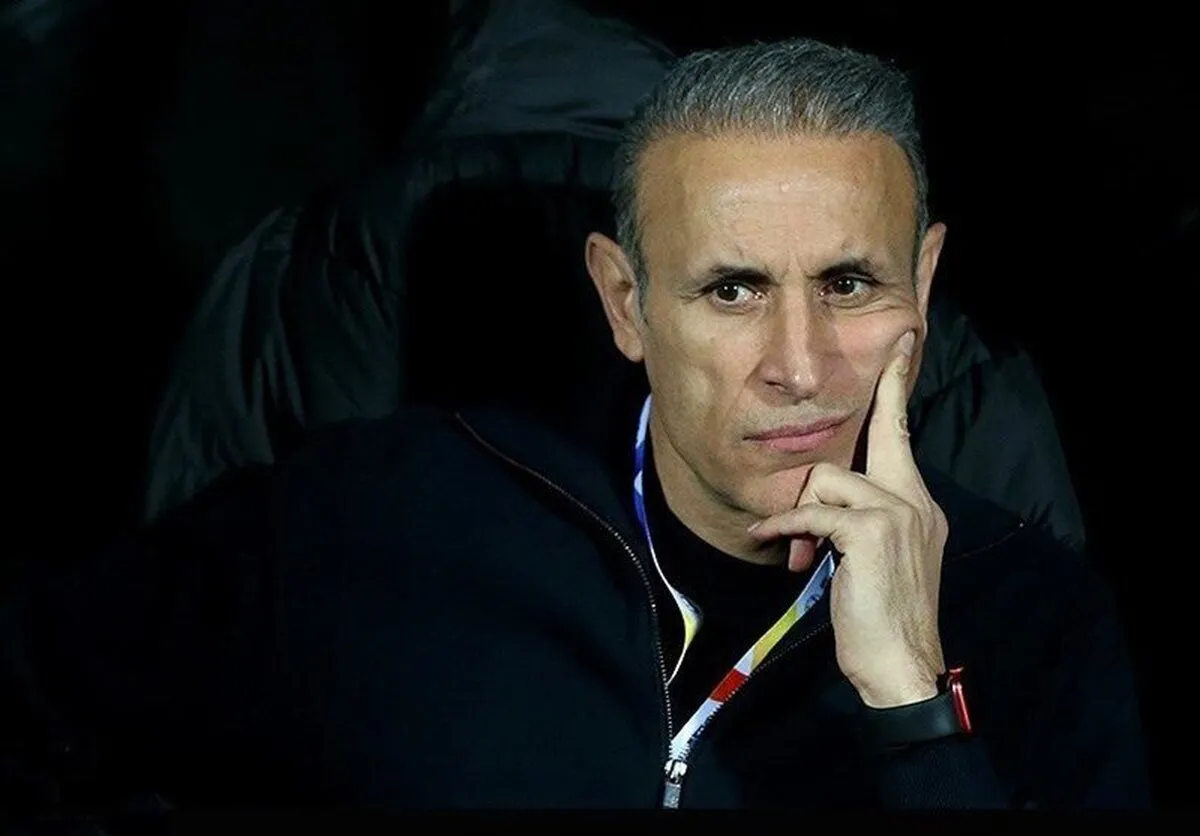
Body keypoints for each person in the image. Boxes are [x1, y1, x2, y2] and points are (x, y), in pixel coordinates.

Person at [1, 36, 1148, 814]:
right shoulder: (383, 508)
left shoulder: (1039, 621)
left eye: (849, 284)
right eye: (732, 290)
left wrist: (916, 710)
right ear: (625, 301)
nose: (802, 367)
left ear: (924, 281)